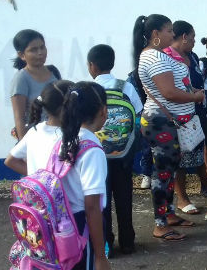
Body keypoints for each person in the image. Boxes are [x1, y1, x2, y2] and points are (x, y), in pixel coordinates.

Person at [5, 81, 111, 270]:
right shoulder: (90, 148)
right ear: (103, 111)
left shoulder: (60, 137)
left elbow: (11, 160)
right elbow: (92, 207)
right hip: (77, 225)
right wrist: (101, 257)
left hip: (47, 219)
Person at [134, 14, 205, 241]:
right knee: (161, 174)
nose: (172, 35)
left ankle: (169, 214)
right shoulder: (154, 57)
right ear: (156, 34)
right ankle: (160, 224)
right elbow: (169, 93)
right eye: (168, 31)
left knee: (168, 172)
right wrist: (194, 97)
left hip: (164, 122)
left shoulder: (155, 55)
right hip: (160, 122)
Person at [87, 44, 142, 256]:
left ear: (91, 66)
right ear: (112, 63)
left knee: (101, 200)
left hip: (96, 154)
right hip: (123, 154)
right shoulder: (125, 87)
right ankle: (128, 241)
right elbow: (138, 114)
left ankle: (106, 242)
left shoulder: (88, 90)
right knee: (124, 196)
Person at [162, 21, 207, 217]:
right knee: (180, 159)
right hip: (177, 115)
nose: (194, 41)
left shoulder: (191, 56)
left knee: (198, 152)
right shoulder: (166, 57)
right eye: (192, 38)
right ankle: (182, 198)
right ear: (184, 37)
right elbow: (170, 89)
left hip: (195, 113)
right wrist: (193, 96)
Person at [10, 29, 61, 141]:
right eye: (33, 50)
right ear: (21, 55)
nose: (40, 52)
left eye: (42, 47)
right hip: (36, 140)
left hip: (57, 138)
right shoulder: (21, 78)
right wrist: (25, 150)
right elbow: (19, 119)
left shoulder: (54, 73)